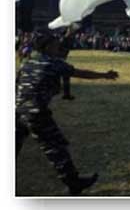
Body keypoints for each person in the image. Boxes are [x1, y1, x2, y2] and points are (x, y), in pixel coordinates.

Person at [16, 31, 119, 195]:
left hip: (18, 111)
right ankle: (74, 183)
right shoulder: (53, 63)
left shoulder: (27, 63)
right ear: (48, 46)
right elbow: (81, 73)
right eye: (56, 44)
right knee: (56, 148)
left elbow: (16, 84)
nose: (58, 47)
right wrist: (105, 75)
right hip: (36, 113)